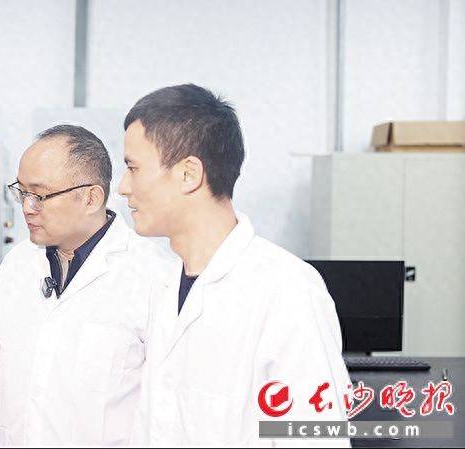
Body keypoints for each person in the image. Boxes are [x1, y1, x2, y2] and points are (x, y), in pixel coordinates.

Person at [119, 84, 351, 447]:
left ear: (188, 174)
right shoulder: (162, 285)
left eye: (133, 168)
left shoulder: (286, 290)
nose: (122, 187)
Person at [0, 124, 163, 446]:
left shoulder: (152, 276)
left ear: (91, 198)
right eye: (22, 192)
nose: (27, 207)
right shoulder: (17, 266)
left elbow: (163, 417)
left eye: (40, 195)